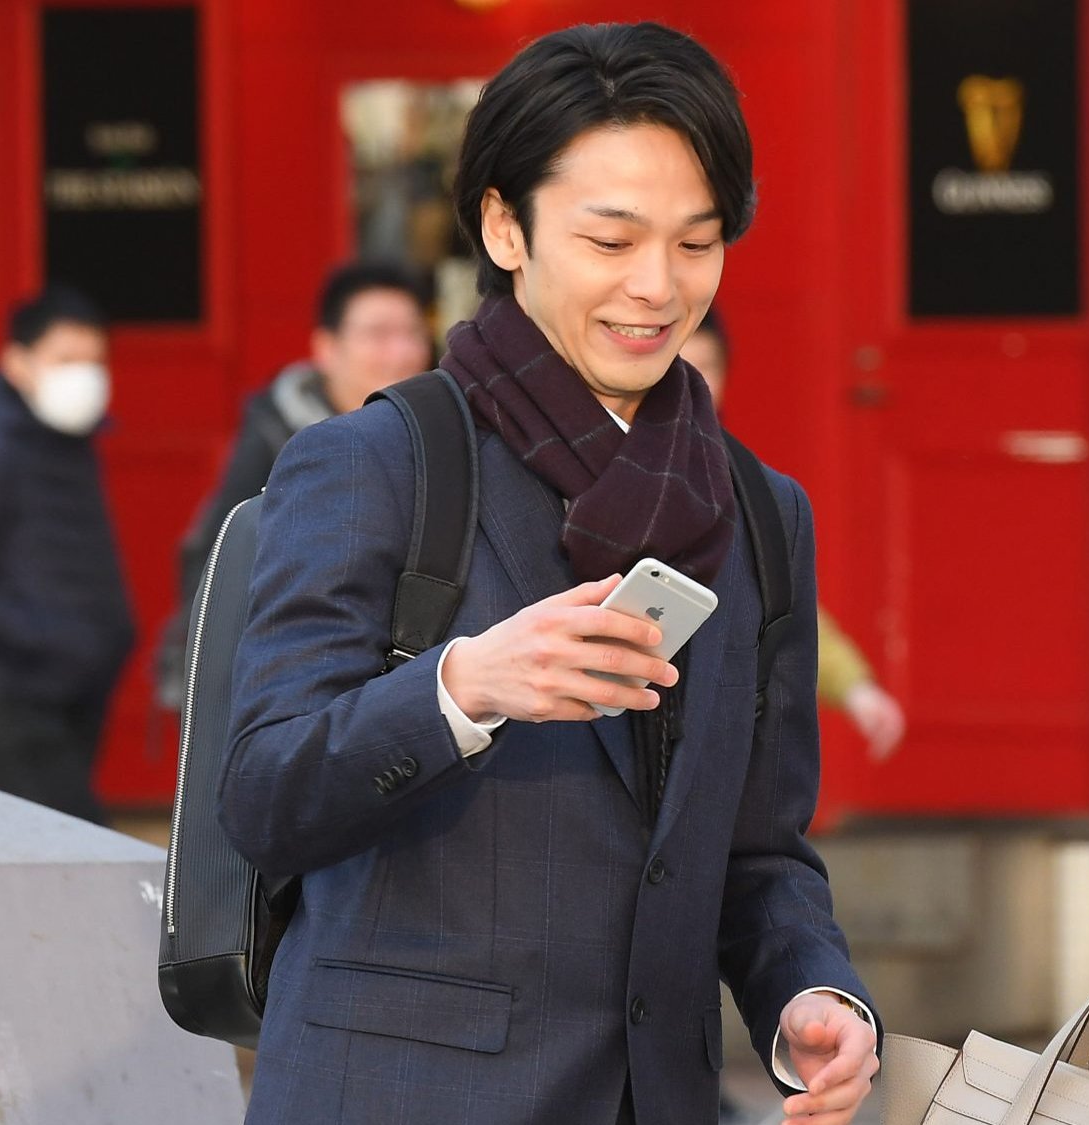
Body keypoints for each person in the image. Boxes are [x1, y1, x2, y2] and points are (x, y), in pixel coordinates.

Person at [216, 23, 879, 1125]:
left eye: (696, 244)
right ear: (503, 227)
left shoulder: (761, 513)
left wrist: (807, 993)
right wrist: (462, 689)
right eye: (611, 242)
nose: (658, 289)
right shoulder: (373, 464)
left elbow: (759, 850)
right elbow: (266, 792)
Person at [156, 262, 430, 712]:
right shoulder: (276, 437)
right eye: (379, 334)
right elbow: (215, 557)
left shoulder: (432, 441)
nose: (401, 353)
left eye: (413, 333)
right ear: (326, 348)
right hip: (285, 684)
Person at [0, 286, 134, 822]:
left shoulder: (67, 441)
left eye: (94, 360)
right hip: (5, 699)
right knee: (79, 855)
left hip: (67, 696)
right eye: (65, 360)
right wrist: (49, 641)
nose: (84, 376)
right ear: (17, 364)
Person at [679, 309, 908, 761]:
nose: (692, 386)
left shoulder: (733, 480)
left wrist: (853, 687)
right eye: (676, 367)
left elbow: (781, 599)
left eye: (706, 368)